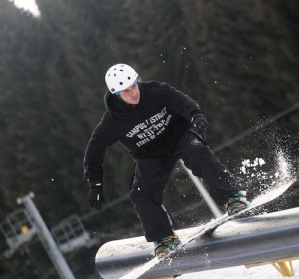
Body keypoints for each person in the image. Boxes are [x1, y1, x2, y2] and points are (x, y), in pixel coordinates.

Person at [83, 63, 249, 258]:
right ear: (116, 94)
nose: (133, 93)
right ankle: (164, 238)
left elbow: (180, 100)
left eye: (134, 86)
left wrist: (195, 115)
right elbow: (94, 149)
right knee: (140, 192)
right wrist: (95, 183)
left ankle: (232, 198)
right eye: (126, 91)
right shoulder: (112, 121)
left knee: (197, 151)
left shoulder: (154, 90)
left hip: (179, 136)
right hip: (151, 154)